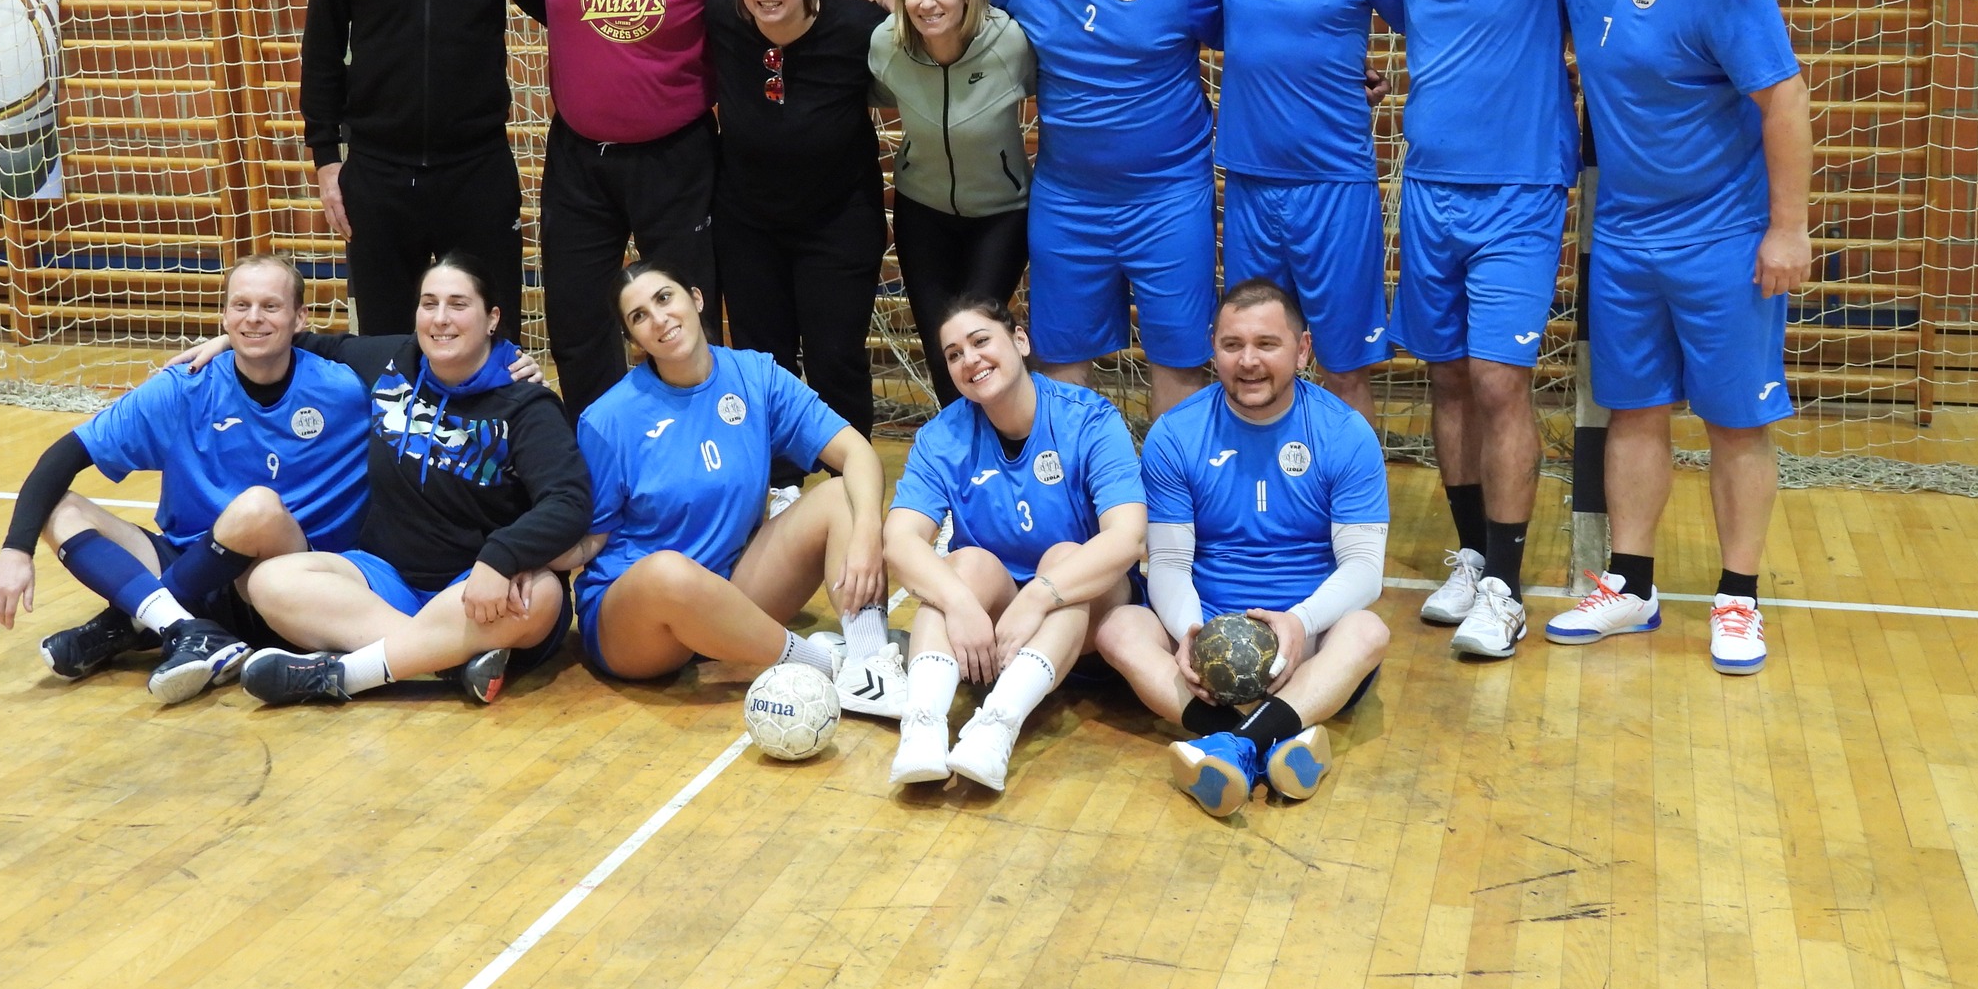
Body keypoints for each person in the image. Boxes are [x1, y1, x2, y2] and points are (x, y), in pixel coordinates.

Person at [1219, 0, 1764, 660]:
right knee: (1446, 380)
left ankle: (1506, 589)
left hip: (1520, 189)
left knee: (1500, 381)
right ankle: (1473, 557)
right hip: (1429, 187)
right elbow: (1331, 13)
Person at [314, 0, 742, 420]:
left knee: (685, 315)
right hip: (578, 158)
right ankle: (595, 450)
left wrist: (865, 9)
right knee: (577, 320)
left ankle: (700, 444)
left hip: (676, 158)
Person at [1544, 0, 1810, 675]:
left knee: (1736, 420)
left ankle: (1738, 597)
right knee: (1634, 409)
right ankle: (1631, 586)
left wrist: (1787, 228)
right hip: (1624, 235)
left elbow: (1784, 99)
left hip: (1724, 235)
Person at [0, 254, 369, 704]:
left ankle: (131, 623)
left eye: (270, 306)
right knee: (59, 507)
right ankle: (182, 627)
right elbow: (65, 454)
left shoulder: (344, 389)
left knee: (257, 507)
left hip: (276, 584)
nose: (253, 318)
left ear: (301, 317)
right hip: (189, 561)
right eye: (241, 305)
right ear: (223, 316)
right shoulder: (185, 385)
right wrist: (15, 549)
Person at [237, 253, 592, 705]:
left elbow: (568, 501)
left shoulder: (526, 404)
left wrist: (501, 558)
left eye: (458, 304)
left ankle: (345, 674)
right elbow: (303, 342)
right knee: (269, 580)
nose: (440, 319)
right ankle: (448, 660)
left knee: (541, 596)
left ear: (492, 319)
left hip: (476, 587)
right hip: (389, 582)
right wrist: (229, 342)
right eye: (429, 303)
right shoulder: (392, 362)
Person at [1097, 279, 1390, 817]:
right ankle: (1274, 738)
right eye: (1232, 345)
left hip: (1308, 644)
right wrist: (1190, 633)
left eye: (1267, 344)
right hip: (1205, 639)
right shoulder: (1175, 435)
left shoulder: (1345, 433)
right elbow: (1168, 562)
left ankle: (1230, 747)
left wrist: (1300, 622)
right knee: (1118, 628)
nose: (1248, 361)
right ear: (1214, 348)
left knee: (1368, 630)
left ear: (1302, 350)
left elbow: (1365, 569)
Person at [566, 262, 905, 715]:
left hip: (729, 592)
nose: (659, 319)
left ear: (696, 299)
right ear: (634, 341)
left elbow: (857, 452)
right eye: (639, 316)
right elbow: (589, 537)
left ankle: (871, 665)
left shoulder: (754, 375)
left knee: (841, 496)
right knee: (668, 571)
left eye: (664, 298)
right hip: (638, 623)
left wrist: (866, 533)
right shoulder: (609, 419)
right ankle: (826, 665)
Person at [982, 0, 1221, 420]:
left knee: (1179, 361)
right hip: (1068, 201)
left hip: (1169, 197)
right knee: (1062, 364)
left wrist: (1350, 72)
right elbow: (949, 16)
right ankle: (1077, 483)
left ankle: (1173, 487)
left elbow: (1253, 40)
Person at [301, 0, 544, 340]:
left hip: (477, 170)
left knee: (490, 341)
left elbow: (560, 8)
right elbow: (322, 45)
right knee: (387, 347)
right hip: (378, 175)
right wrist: (326, 158)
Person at [881, 295, 1147, 791]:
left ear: (1020, 340)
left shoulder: (1087, 418)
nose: (970, 359)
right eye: (954, 354)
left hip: (1087, 612)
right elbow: (899, 540)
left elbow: (1128, 536)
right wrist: (961, 604)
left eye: (981, 341)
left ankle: (996, 727)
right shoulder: (942, 436)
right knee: (965, 565)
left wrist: (1038, 597)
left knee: (1065, 556)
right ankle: (923, 727)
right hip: (998, 626)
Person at [1195, 0, 1403, 428]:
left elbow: (1431, 23)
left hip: (1335, 185)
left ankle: (1352, 493)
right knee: (1252, 362)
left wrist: (1378, 75)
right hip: (1251, 184)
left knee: (1344, 366)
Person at [705, 0, 887, 506]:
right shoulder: (721, 16)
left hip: (839, 222)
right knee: (763, 358)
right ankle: (780, 484)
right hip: (748, 224)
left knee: (837, 357)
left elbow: (923, 16)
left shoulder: (858, 26)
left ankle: (851, 490)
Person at [868, 0, 1037, 406]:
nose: (927, 3)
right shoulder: (886, 45)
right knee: (943, 345)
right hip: (922, 213)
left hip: (1000, 214)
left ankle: (1011, 432)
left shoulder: (1009, 43)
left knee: (977, 336)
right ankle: (962, 445)